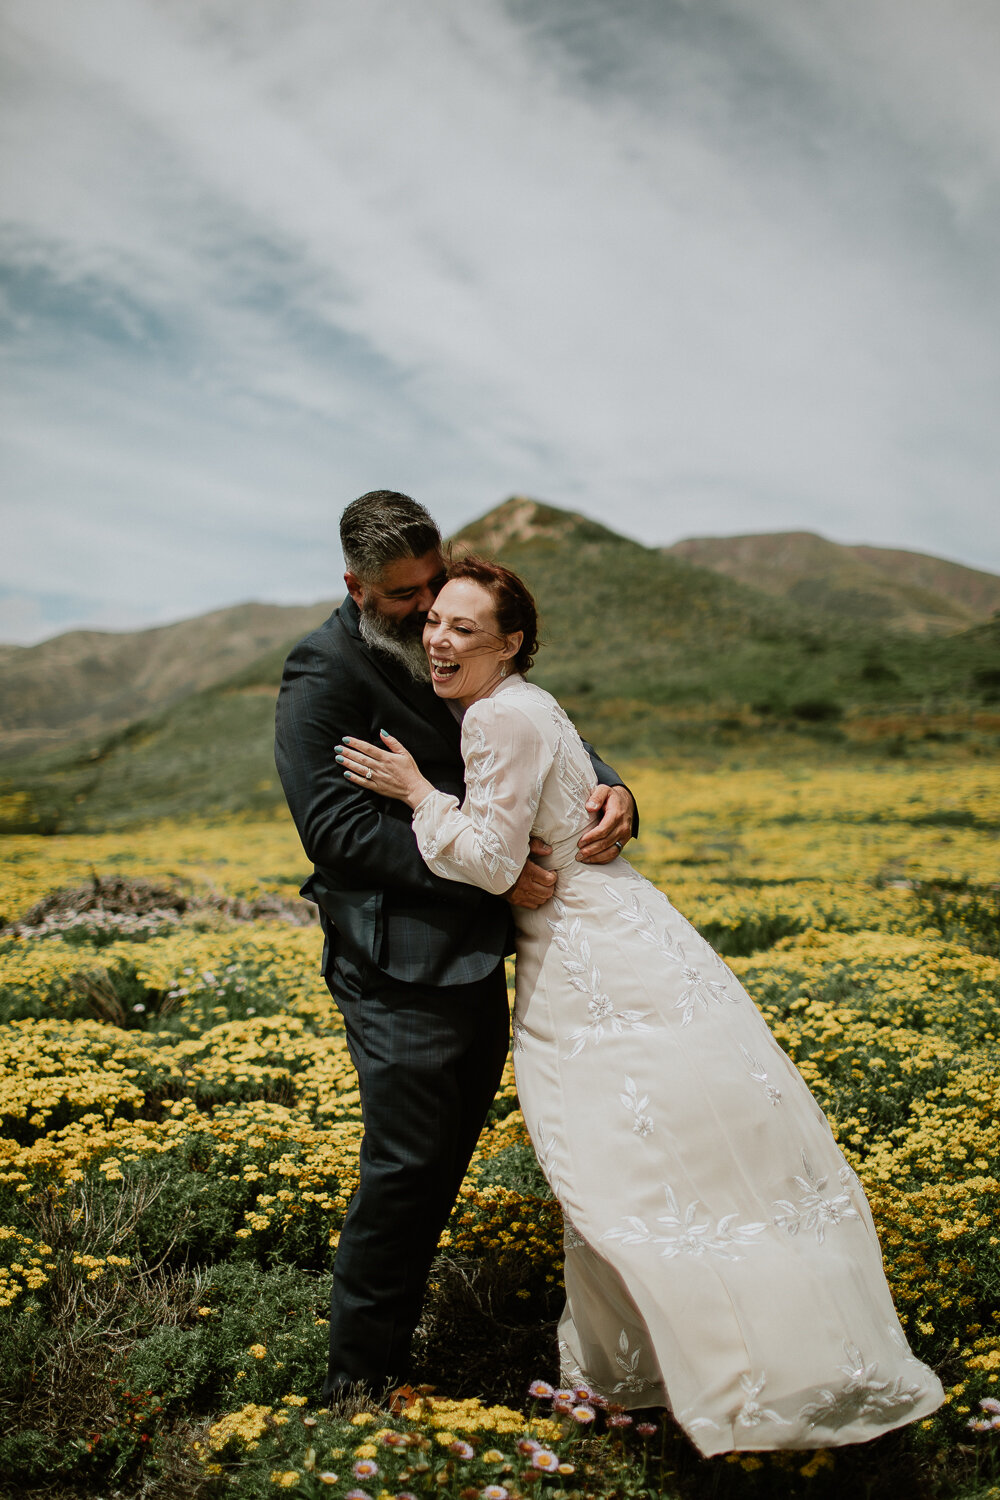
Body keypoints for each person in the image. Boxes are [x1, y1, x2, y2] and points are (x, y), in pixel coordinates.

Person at [337, 554, 945, 1455]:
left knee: (615, 1169)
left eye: (463, 628)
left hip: (582, 959)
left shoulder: (495, 718)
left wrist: (417, 793)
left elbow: (498, 863)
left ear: (510, 644)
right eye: (434, 623)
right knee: (676, 1158)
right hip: (627, 930)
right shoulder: (530, 703)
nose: (438, 638)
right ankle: (683, 1359)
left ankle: (686, 1369)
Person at [274, 492, 636, 1404]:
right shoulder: (321, 672)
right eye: (406, 597)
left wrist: (615, 786)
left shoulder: (456, 646)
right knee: (405, 1169)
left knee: (440, 1158)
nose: (429, 615)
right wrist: (495, 876)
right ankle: (356, 1385)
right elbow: (337, 833)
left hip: (479, 954)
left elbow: (527, 724)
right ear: (355, 586)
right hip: (396, 962)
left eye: (437, 587)